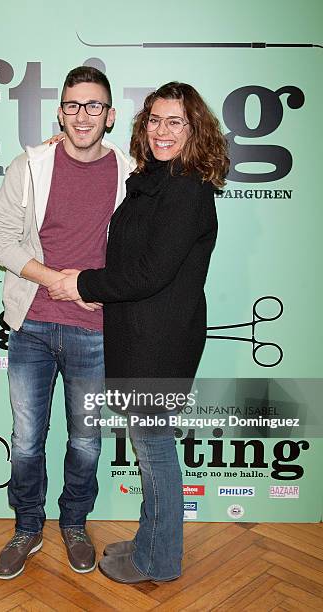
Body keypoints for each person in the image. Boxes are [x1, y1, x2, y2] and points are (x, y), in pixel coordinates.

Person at [48, 82, 229, 583]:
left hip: (160, 342)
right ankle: (151, 538)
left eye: (175, 122)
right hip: (136, 334)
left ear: (195, 131)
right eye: (154, 119)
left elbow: (149, 271)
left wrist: (81, 282)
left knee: (154, 453)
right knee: (151, 450)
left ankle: (160, 559)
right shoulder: (152, 179)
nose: (161, 130)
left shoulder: (187, 189)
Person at [0, 66, 133, 579]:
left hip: (94, 332)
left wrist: (97, 288)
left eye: (93, 105)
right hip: (31, 325)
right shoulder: (30, 166)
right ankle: (27, 527)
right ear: (60, 112)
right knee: (26, 439)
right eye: (73, 105)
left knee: (86, 440)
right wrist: (58, 280)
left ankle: (74, 524)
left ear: (110, 115)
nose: (82, 114)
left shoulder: (133, 174)